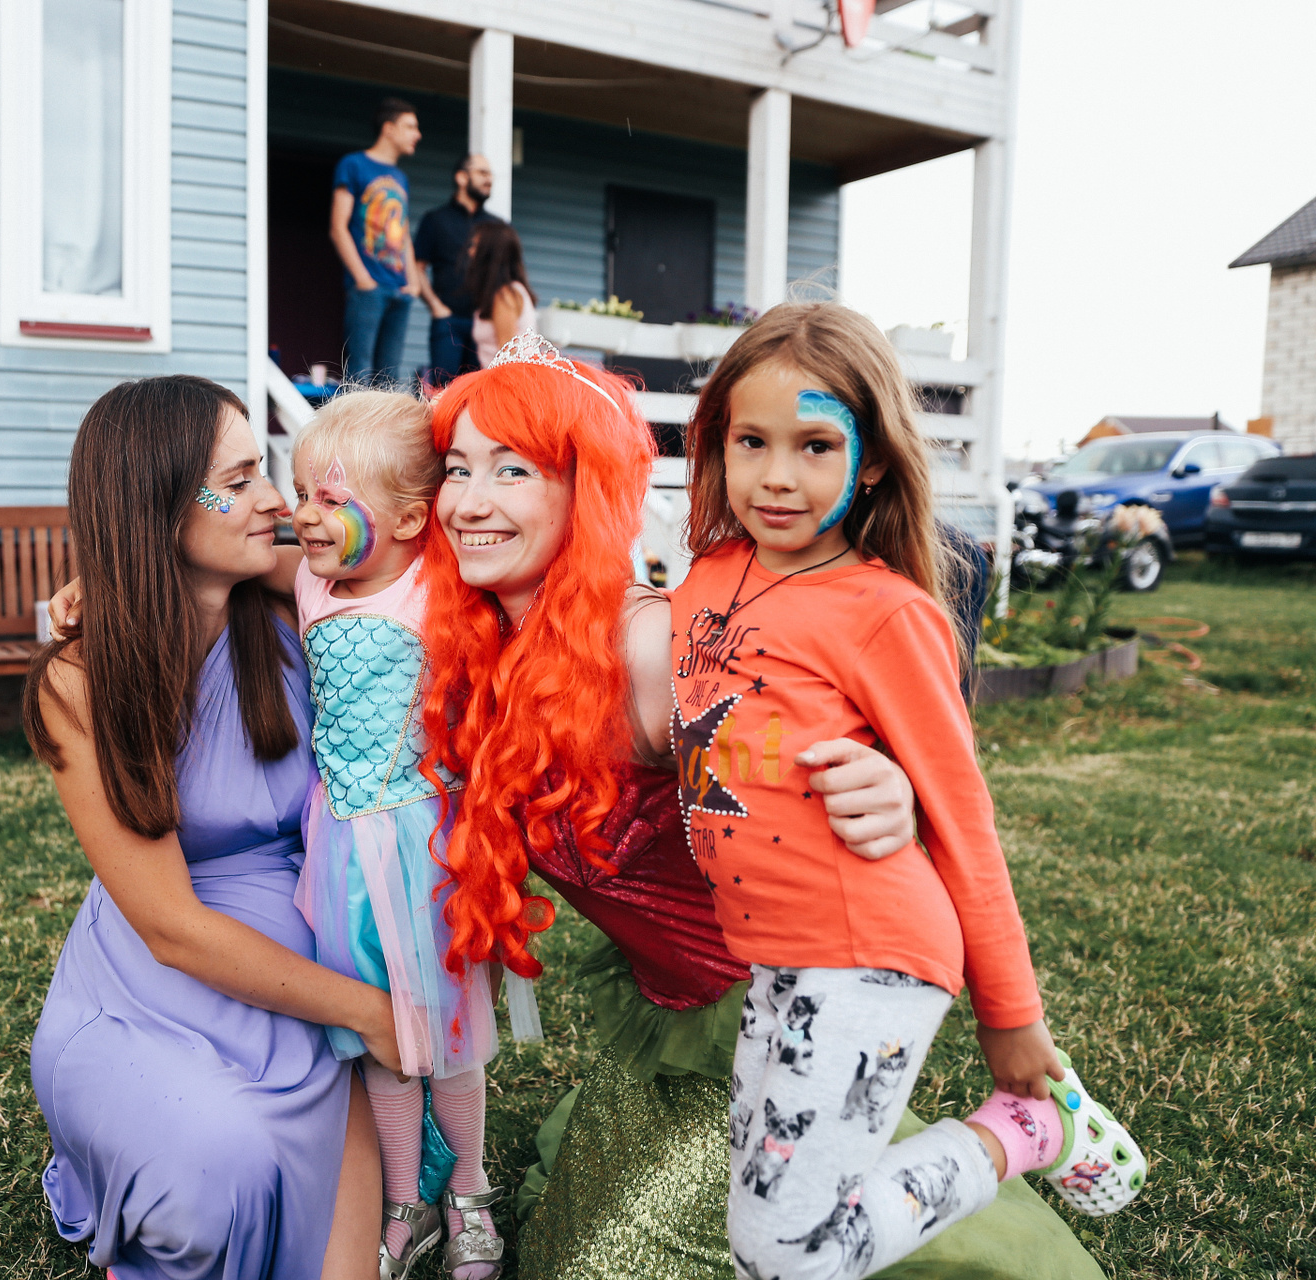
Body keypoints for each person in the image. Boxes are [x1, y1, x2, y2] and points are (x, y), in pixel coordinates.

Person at [416, 334, 1122, 1279]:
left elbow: (782, 741)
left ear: (588, 488)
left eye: (513, 469)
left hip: (783, 983)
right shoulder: (478, 636)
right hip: (677, 1010)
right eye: (456, 468)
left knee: (741, 1249)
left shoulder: (649, 644)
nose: (469, 501)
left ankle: (1019, 1138)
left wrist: (896, 786)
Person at [674, 302, 1144, 1276]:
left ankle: (1025, 1131)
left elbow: (963, 816)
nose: (776, 476)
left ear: (874, 461)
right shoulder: (709, 574)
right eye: (751, 441)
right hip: (775, 957)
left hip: (870, 956)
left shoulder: (885, 613)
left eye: (815, 445)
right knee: (760, 1226)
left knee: (783, 1249)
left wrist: (1011, 1016)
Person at [23, 376, 395, 1280]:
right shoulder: (80, 681)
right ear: (157, 505)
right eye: (238, 481)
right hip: (149, 991)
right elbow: (171, 928)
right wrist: (370, 1014)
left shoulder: (295, 612)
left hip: (298, 991)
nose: (274, 501)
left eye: (264, 470)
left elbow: (399, 548)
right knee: (213, 1174)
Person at [283, 392, 516, 1280]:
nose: (306, 515)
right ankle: (402, 1202)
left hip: (426, 845)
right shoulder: (309, 582)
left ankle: (469, 1187)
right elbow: (211, 552)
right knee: (378, 1033)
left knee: (446, 1033)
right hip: (340, 848)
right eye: (299, 493)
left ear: (413, 520)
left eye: (330, 499)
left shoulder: (439, 586)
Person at [330, 98, 426, 387]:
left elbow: (403, 233)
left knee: (389, 377)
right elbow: (338, 227)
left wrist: (414, 282)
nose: (417, 134)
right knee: (359, 372)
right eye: (410, 126)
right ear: (388, 128)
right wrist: (363, 279)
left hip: (400, 289)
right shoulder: (354, 165)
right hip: (369, 289)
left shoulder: (400, 178)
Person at [414, 155, 500, 383]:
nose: (489, 179)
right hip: (448, 321)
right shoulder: (435, 219)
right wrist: (435, 306)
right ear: (462, 177)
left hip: (485, 324)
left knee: (480, 391)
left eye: (490, 174)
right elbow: (417, 268)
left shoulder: (496, 226)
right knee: (444, 390)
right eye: (482, 173)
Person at [463, 222, 538, 370]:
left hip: (508, 379)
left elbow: (508, 355)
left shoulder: (504, 296)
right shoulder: (503, 293)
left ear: (488, 253)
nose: (470, 251)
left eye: (475, 246)